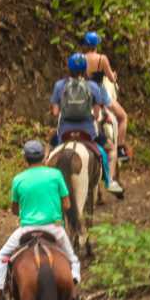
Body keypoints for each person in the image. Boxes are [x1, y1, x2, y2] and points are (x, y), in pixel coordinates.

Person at [0, 140, 81, 300]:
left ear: (25, 158)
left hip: (27, 229)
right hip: (54, 228)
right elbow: (67, 204)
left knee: (2, 256)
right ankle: (74, 295)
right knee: (72, 259)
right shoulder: (55, 175)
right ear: (44, 157)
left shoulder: (18, 179)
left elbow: (15, 210)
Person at [51, 52, 124, 195]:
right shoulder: (93, 86)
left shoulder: (59, 85)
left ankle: (45, 177)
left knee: (49, 150)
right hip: (88, 132)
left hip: (64, 132)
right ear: (85, 68)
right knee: (110, 149)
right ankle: (109, 181)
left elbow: (55, 112)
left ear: (68, 68)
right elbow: (96, 114)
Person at [82, 31, 130, 162]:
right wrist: (114, 75)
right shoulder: (102, 59)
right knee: (123, 117)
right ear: (96, 44)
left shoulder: (81, 58)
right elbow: (111, 79)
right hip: (100, 93)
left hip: (84, 92)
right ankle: (120, 149)